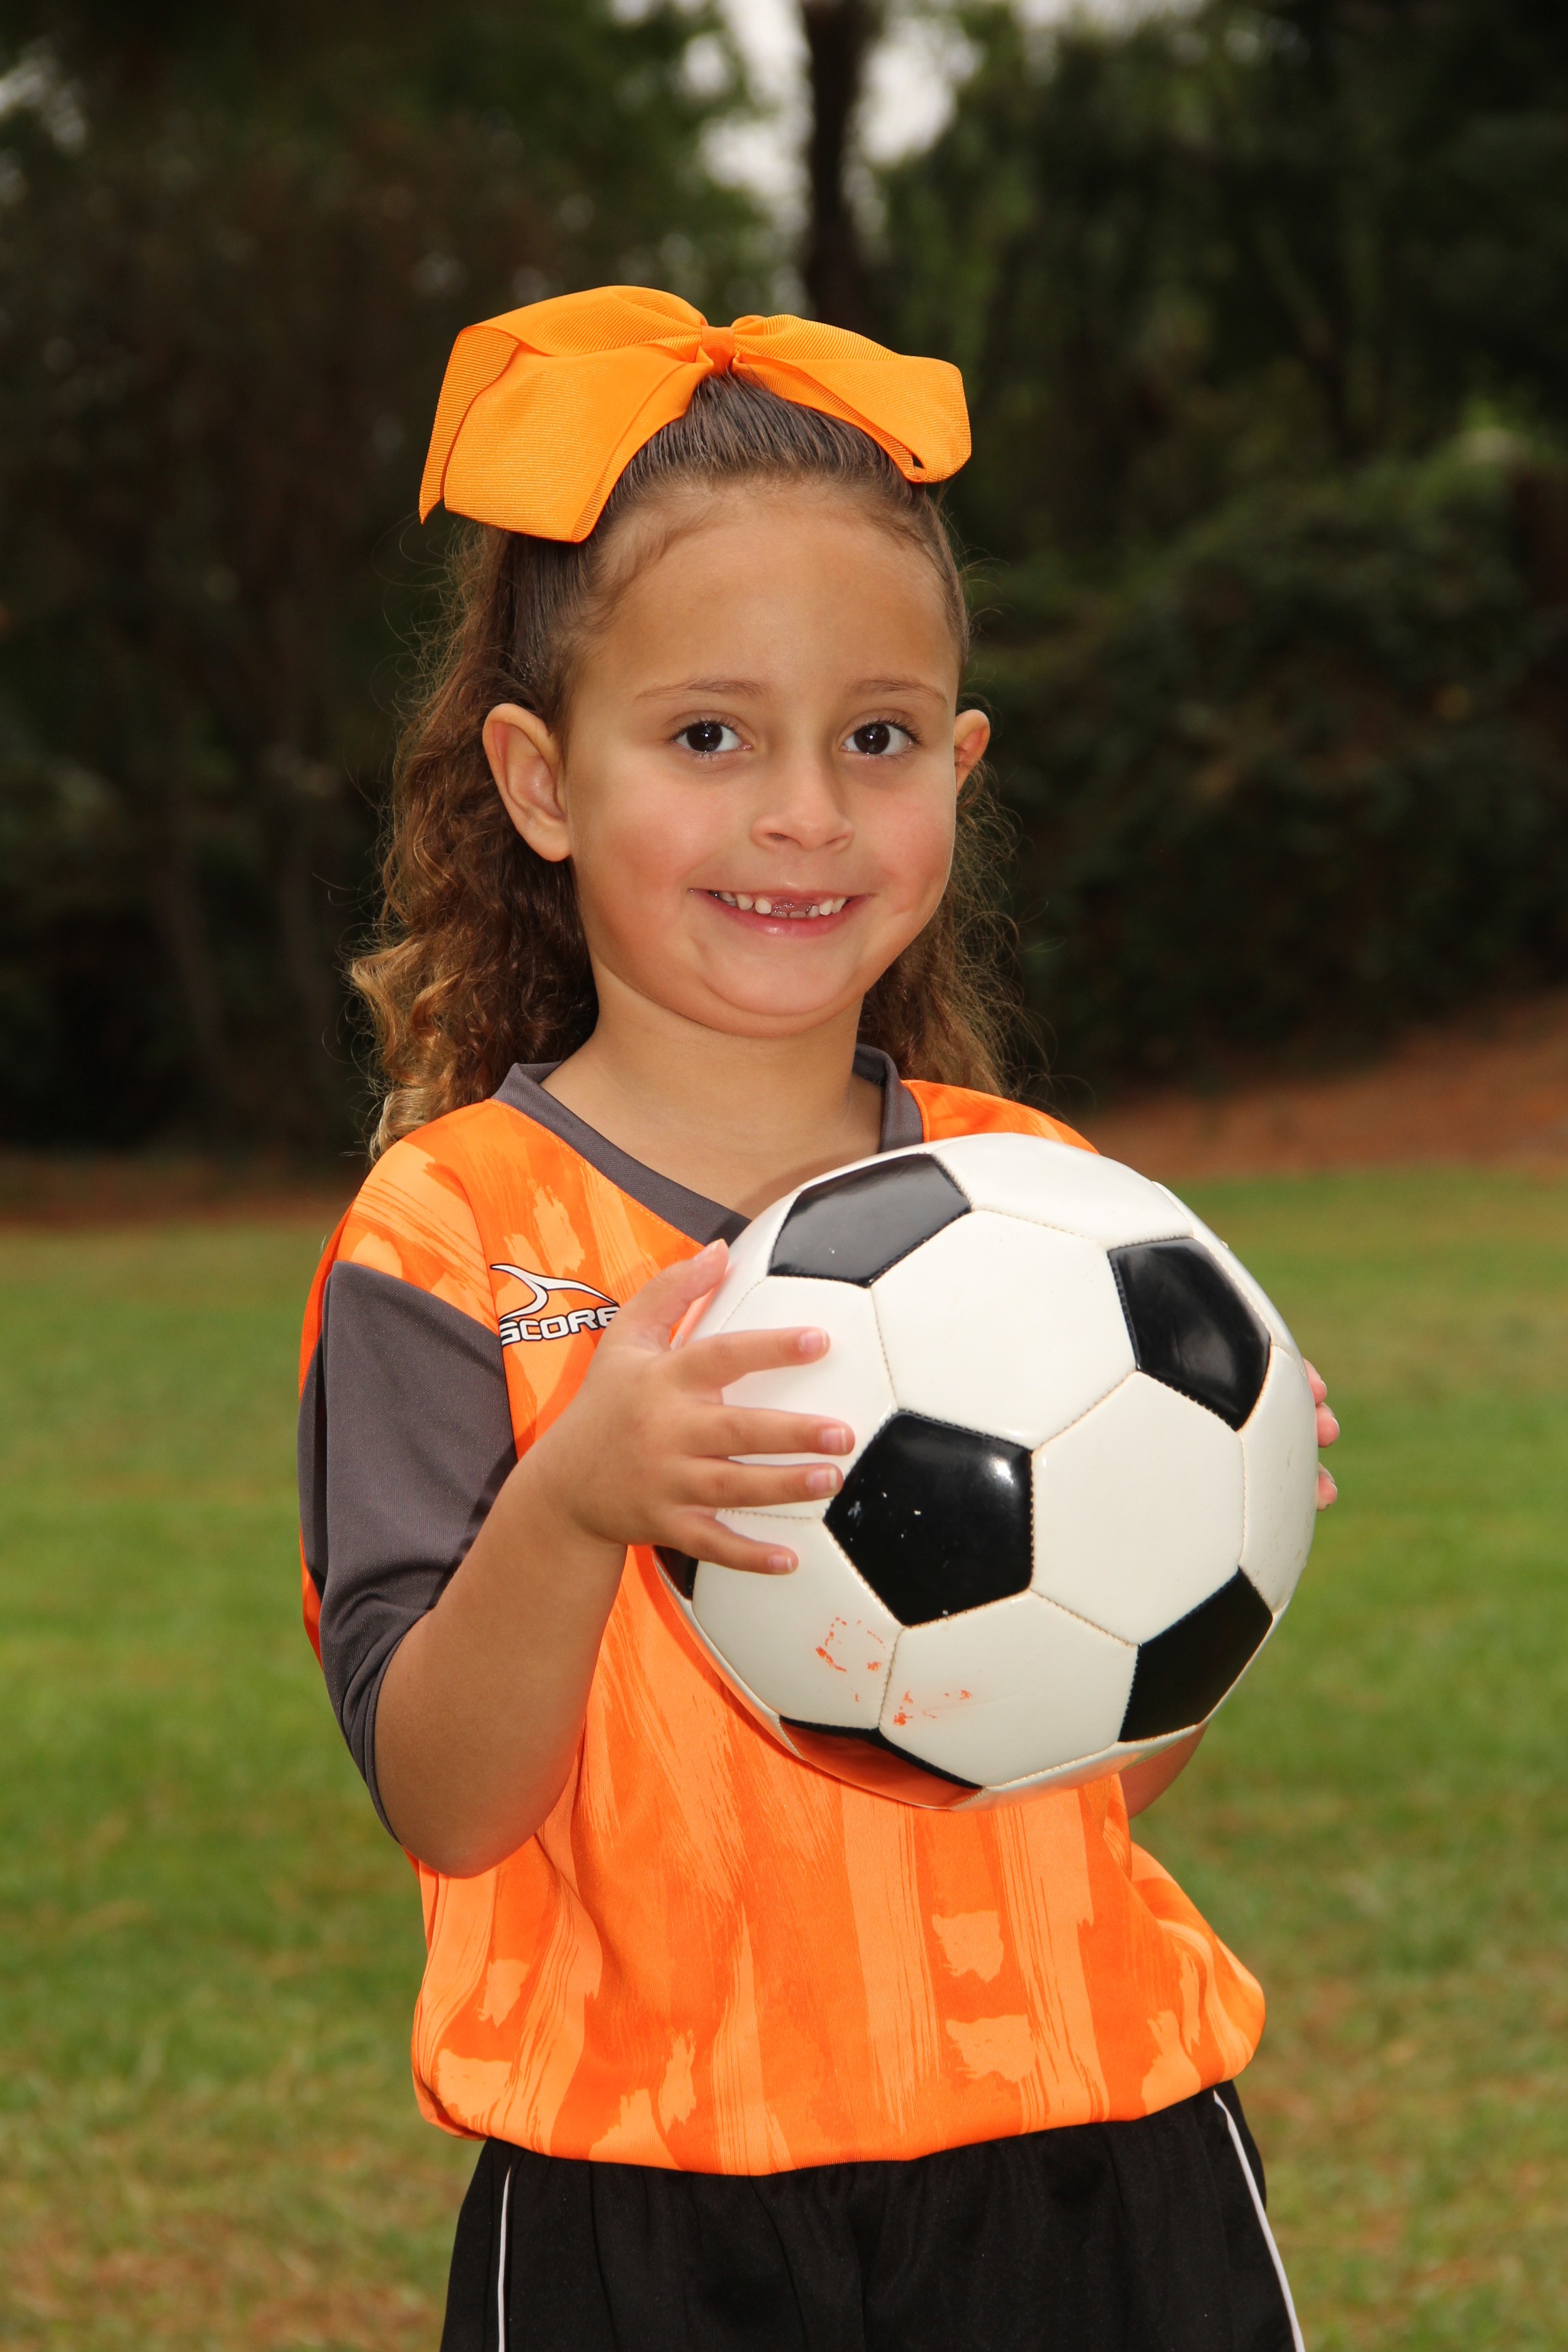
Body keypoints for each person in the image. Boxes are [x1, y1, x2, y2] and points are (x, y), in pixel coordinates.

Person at [296, 287, 1339, 2352]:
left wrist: (1213, 1526)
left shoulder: (1056, 1204)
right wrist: (576, 1499)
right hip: (647, 2197)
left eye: (877, 737)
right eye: (711, 736)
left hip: (1094, 2150)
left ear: (960, 764)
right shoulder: (452, 1236)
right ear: (540, 778)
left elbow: (1075, 1761)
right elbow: (448, 1800)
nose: (807, 811)